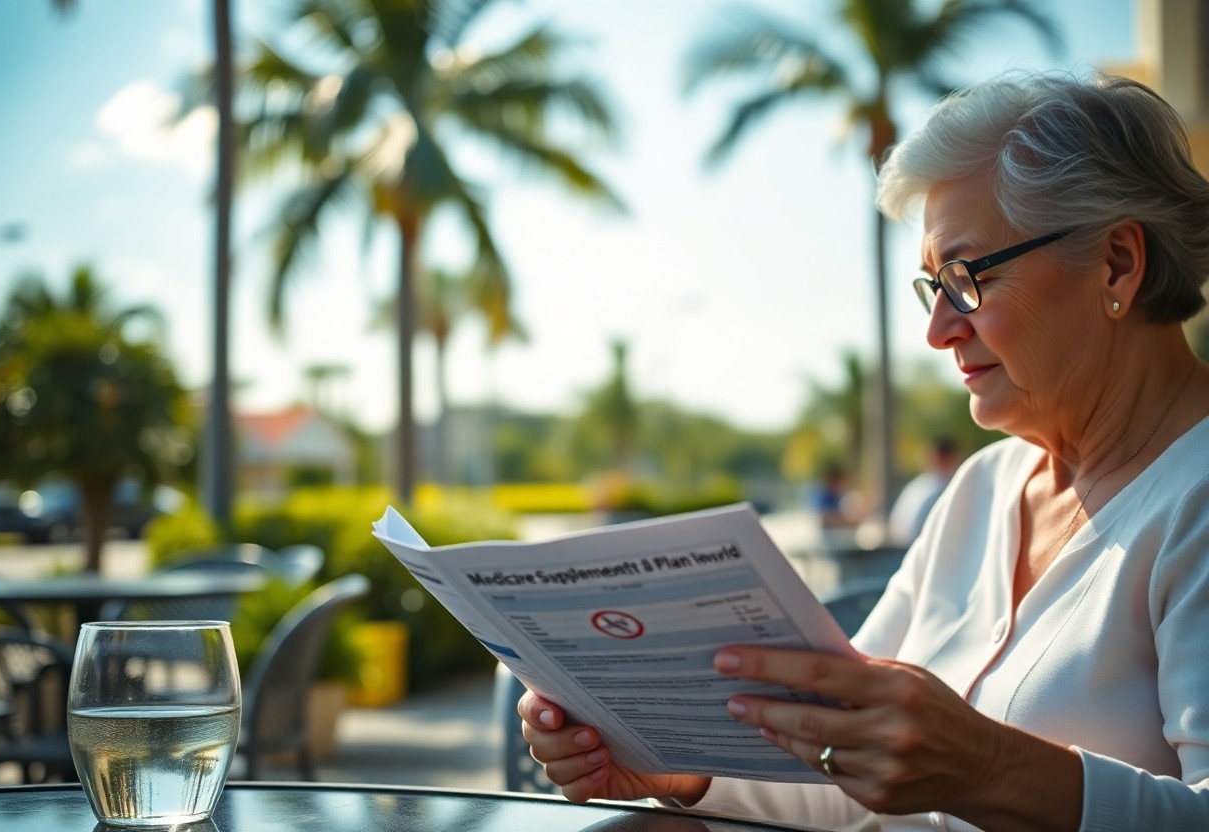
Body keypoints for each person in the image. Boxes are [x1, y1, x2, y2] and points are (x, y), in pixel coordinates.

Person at [517, 71, 1209, 831]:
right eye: (930, 288)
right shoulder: (983, 489)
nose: (938, 328)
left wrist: (986, 768)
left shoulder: (1193, 501)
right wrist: (683, 771)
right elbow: (837, 764)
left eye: (966, 278)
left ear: (1116, 262)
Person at [887, 437, 960, 545]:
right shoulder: (943, 488)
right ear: (948, 458)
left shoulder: (916, 485)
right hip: (914, 548)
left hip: (897, 548)